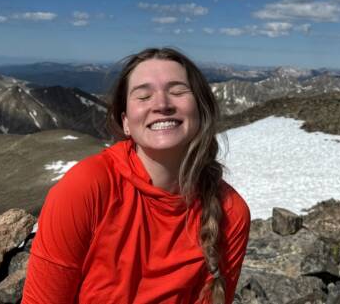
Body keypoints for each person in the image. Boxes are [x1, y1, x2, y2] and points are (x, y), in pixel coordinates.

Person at [23, 47, 251, 304]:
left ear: (201, 111)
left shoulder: (231, 212)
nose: (162, 104)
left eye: (177, 91)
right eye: (143, 96)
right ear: (126, 123)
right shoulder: (86, 188)